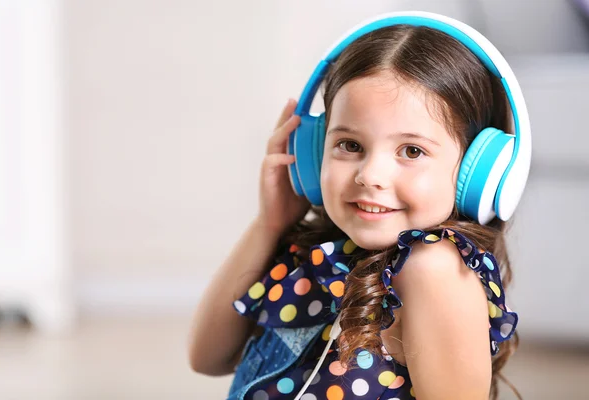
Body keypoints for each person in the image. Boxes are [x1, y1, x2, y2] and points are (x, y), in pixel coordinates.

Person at [189, 11, 529, 400]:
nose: (370, 175)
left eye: (412, 150)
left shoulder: (431, 269)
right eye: (350, 145)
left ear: (478, 171)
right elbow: (207, 357)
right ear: (314, 153)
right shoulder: (321, 252)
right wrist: (270, 224)